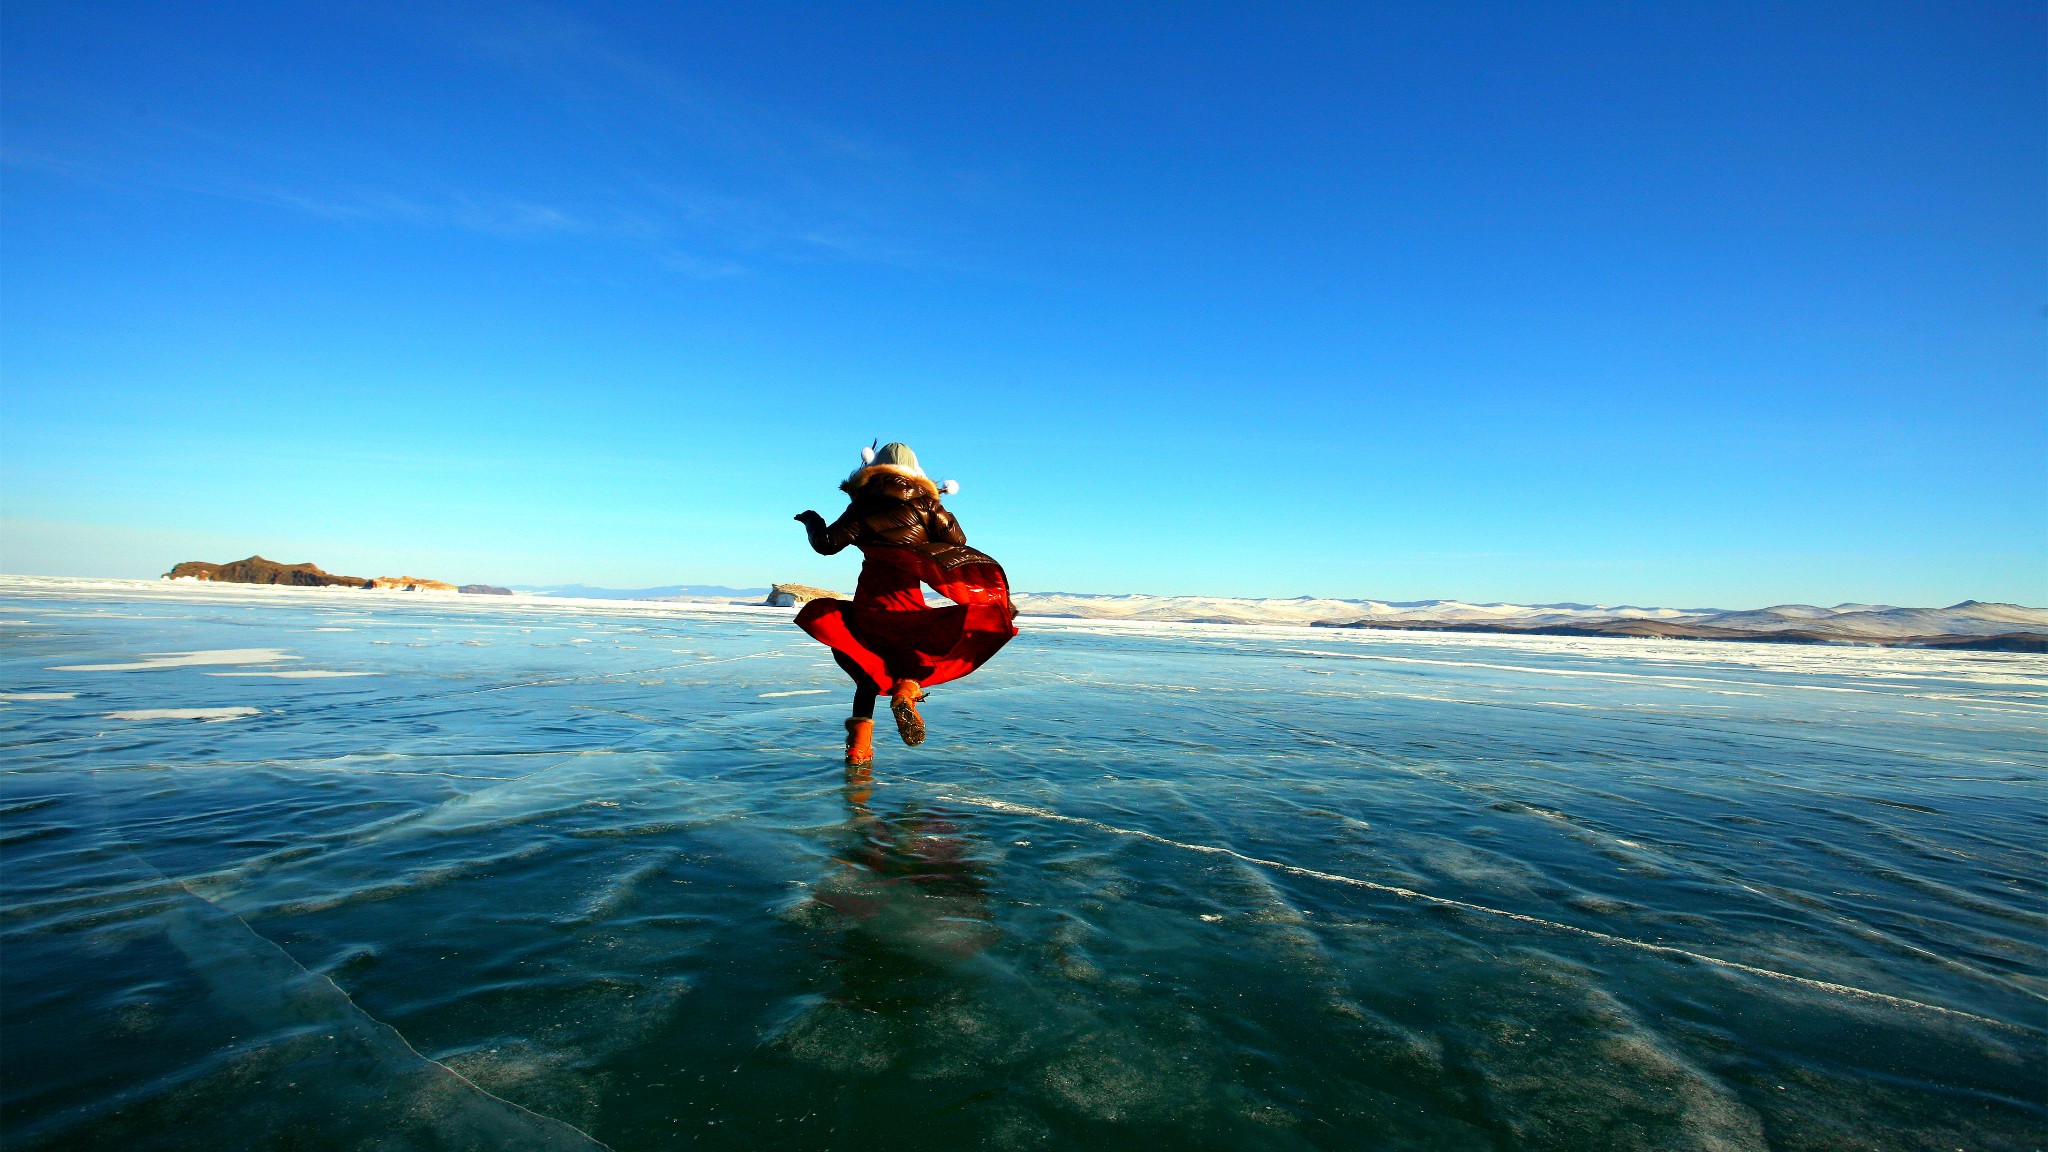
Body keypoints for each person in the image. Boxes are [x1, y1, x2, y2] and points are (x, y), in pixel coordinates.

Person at [793, 442, 1018, 769]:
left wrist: (812, 520)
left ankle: (858, 749)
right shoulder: (927, 505)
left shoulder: (862, 505)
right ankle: (906, 692)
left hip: (869, 608)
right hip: (907, 606)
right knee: (917, 659)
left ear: (873, 471)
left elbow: (826, 545)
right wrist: (932, 509)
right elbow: (957, 545)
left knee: (868, 670)